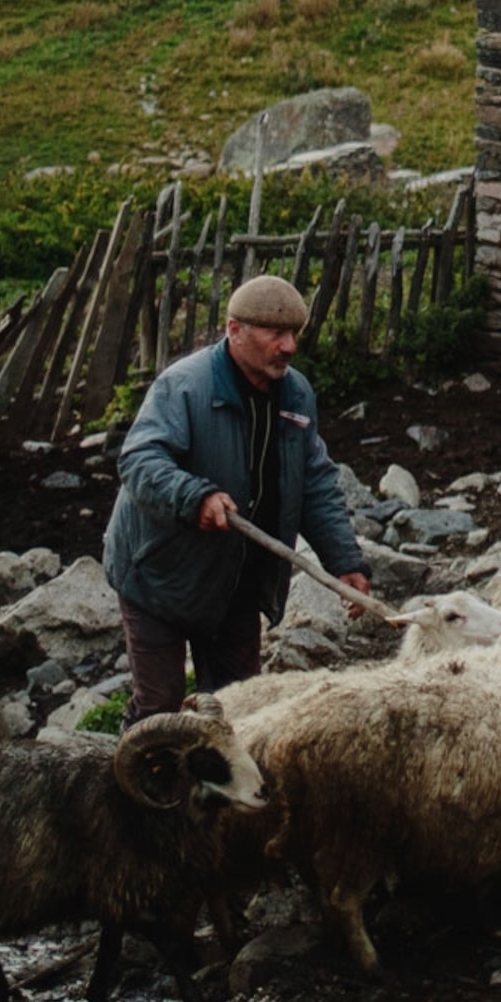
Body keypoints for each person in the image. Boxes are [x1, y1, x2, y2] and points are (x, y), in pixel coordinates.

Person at [104, 272, 370, 719]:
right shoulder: (184, 387)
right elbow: (140, 460)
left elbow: (314, 482)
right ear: (235, 330)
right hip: (160, 575)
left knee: (236, 706)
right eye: (276, 334)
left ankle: (212, 768)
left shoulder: (296, 395)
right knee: (159, 705)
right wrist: (196, 498)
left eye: (294, 334)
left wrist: (345, 561)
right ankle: (137, 765)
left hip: (238, 580)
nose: (289, 346)